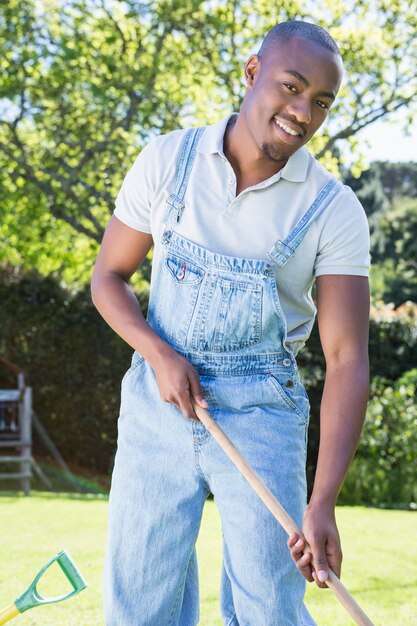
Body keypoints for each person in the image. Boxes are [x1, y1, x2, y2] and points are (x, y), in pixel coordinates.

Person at [91, 19, 370, 626]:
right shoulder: (168, 159)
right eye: (291, 86)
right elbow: (107, 279)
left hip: (263, 414)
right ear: (252, 73)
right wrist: (158, 354)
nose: (303, 111)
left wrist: (322, 502)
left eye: (320, 101)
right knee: (139, 606)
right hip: (155, 403)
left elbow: (347, 359)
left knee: (270, 609)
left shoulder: (333, 210)